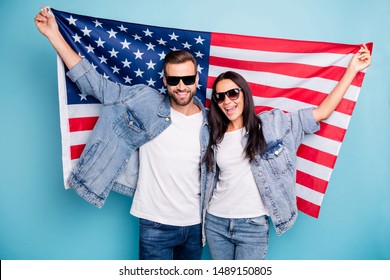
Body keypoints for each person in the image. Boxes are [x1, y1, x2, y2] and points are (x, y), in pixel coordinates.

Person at [34, 7, 210, 260]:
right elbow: (95, 84)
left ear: (196, 80)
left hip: (196, 226)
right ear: (164, 81)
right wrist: (54, 35)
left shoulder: (210, 122)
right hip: (155, 223)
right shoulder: (144, 101)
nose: (181, 87)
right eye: (173, 80)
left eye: (187, 79)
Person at [203, 45, 371, 260]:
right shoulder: (213, 135)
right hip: (216, 221)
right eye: (220, 97)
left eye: (233, 93)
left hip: (252, 225)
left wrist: (352, 69)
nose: (227, 101)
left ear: (244, 94)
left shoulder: (273, 125)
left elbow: (321, 113)